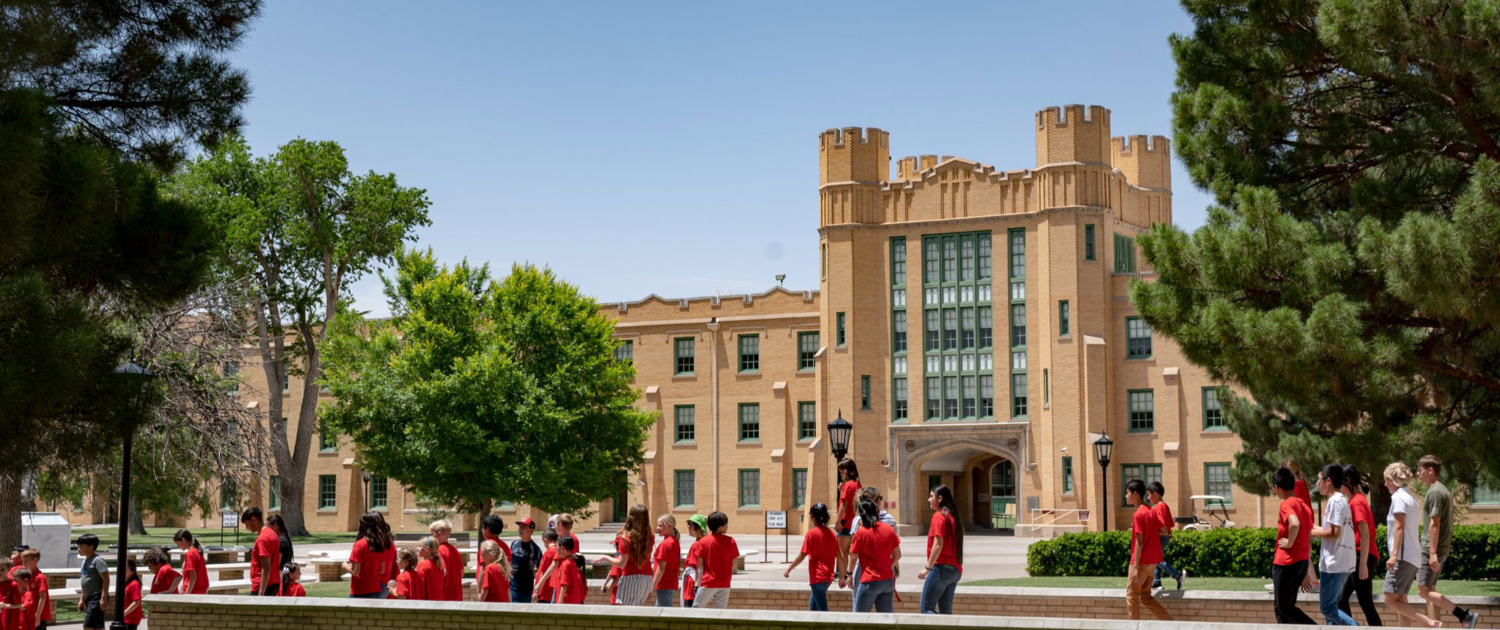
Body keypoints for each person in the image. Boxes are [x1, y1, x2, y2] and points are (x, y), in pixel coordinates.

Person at [1416, 456, 1478, 628]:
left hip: (1431, 548)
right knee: (1430, 589)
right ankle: (1436, 626)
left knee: (1422, 590)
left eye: (1420, 470)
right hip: (1439, 547)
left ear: (1430, 471)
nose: (1417, 474)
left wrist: (1432, 552)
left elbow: (1435, 522)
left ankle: (1464, 616)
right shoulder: (1442, 490)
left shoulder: (1435, 492)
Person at [1381, 462, 1442, 628]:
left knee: (1389, 598)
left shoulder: (1399, 498)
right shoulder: (1412, 499)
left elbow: (1399, 527)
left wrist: (1393, 556)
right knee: (1401, 599)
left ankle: (1430, 623)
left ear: (1392, 480)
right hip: (1413, 558)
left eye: (1386, 480)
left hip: (1402, 557)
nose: (1385, 484)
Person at [1310, 464, 1359, 626]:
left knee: (1327, 608)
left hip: (1335, 564)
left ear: (1328, 481)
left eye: (1319, 480)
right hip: (1337, 563)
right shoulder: (1340, 500)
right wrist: (1309, 528)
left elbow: (1334, 532)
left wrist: (1311, 533)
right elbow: (1329, 530)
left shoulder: (1335, 502)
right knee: (1330, 615)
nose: (1317, 484)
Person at [1271, 467, 1317, 625]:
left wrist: (1289, 542)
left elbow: (1294, 523)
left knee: (1282, 610)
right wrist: (1304, 570)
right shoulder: (1303, 505)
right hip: (1300, 562)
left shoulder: (1286, 505)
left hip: (1286, 563)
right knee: (1288, 608)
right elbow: (1308, 536)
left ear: (1277, 487)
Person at [1339, 465, 1381, 626]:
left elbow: (1365, 534)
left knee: (1366, 604)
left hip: (1361, 556)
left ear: (1348, 481)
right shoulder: (1356, 500)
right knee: (1341, 599)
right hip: (1358, 556)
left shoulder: (1356, 502)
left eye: (1339, 483)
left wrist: (1362, 564)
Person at [1124, 479, 1172, 620]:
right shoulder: (1151, 511)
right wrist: (1150, 531)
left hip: (1141, 562)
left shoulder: (1138, 514)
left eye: (1127, 493)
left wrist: (1136, 567)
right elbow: (1164, 530)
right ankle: (1169, 623)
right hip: (1152, 563)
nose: (1126, 496)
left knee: (1132, 597)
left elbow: (1139, 543)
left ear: (1136, 494)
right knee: (1145, 596)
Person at [594, 504, 654, 606]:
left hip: (630, 579)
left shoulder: (624, 538)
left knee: (624, 614)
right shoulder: (650, 535)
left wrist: (605, 557)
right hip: (647, 579)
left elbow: (621, 563)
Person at [849, 499, 900, 613]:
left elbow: (853, 555)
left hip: (869, 580)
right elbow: (897, 555)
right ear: (877, 511)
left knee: (860, 618)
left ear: (861, 515)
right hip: (887, 580)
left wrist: (849, 574)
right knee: (886, 619)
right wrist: (888, 565)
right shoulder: (888, 529)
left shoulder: (861, 532)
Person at [918, 484, 963, 614]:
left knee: (926, 609)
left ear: (939, 499)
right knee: (945, 613)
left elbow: (938, 544)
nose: (928, 499)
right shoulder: (953, 516)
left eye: (931, 496)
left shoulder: (938, 516)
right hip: (955, 570)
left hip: (940, 570)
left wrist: (927, 568)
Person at [784, 503, 837, 611]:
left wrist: (789, 569)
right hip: (827, 577)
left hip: (817, 578)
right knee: (812, 605)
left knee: (822, 609)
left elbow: (802, 555)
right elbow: (839, 555)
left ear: (813, 518)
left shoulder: (811, 534)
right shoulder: (831, 534)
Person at [847, 486, 896, 591]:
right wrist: (893, 566)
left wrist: (849, 573)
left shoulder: (857, 520)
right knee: (884, 606)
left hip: (863, 568)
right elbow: (894, 548)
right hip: (885, 568)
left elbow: (854, 551)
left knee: (860, 605)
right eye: (880, 498)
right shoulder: (889, 519)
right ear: (876, 501)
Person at [692, 511, 738, 609]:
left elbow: (699, 566)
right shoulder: (731, 541)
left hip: (708, 582)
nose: (727, 526)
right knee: (721, 612)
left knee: (696, 608)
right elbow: (734, 564)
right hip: (725, 582)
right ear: (720, 526)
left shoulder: (703, 542)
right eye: (725, 524)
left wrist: (697, 584)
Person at [345, 511, 395, 599]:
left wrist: (344, 565)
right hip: (376, 589)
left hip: (360, 590)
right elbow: (382, 570)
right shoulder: (380, 544)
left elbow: (355, 572)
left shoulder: (359, 544)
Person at [1147, 482, 1185, 591]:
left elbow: (1161, 525)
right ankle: (1156, 582)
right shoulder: (1164, 506)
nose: (1148, 498)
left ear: (1155, 495)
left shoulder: (1158, 507)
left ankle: (1177, 576)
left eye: (1149, 495)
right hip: (1164, 536)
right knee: (1157, 559)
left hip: (1161, 537)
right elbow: (1169, 524)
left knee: (1155, 559)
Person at [243, 507, 281, 597]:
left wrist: (261, 592)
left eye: (246, 524)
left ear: (253, 520)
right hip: (274, 583)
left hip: (262, 586)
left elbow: (266, 568)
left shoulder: (262, 539)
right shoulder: (272, 533)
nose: (246, 527)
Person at [834, 459, 861, 588]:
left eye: (842, 470)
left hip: (845, 523)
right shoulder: (856, 483)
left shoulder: (849, 484)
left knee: (842, 551)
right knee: (853, 551)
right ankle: (851, 574)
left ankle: (843, 576)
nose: (841, 473)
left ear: (849, 470)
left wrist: (837, 520)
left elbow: (844, 504)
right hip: (854, 523)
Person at [74, 534, 109, 630]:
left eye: (81, 546)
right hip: (89, 597)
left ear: (91, 547)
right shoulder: (84, 561)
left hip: (97, 597)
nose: (78, 549)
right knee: (98, 626)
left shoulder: (97, 560)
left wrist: (103, 599)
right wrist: (82, 599)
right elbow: (84, 582)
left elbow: (106, 580)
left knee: (88, 625)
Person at [428, 519, 464, 601]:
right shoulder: (455, 550)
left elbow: (442, 572)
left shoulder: (438, 551)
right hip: (457, 595)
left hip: (444, 596)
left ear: (438, 534)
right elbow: (462, 573)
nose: (431, 536)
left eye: (432, 533)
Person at [510, 517, 541, 603]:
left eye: (524, 527)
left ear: (531, 530)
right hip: (512, 587)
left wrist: (536, 589)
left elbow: (540, 570)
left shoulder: (535, 549)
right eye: (520, 527)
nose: (521, 529)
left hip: (526, 589)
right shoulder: (514, 544)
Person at [651, 515, 680, 607]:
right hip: (670, 584)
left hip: (664, 584)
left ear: (670, 526)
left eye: (660, 525)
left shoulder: (665, 544)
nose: (657, 528)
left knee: (663, 614)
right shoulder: (674, 542)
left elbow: (661, 568)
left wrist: (652, 587)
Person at [18, 548, 49, 630]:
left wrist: (37, 616)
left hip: (39, 615)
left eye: (26, 561)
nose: (23, 563)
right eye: (23, 561)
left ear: (35, 560)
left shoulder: (40, 577)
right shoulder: (27, 576)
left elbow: (42, 598)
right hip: (30, 613)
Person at [479, 514, 513, 589]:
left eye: (483, 528)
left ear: (487, 529)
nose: (482, 530)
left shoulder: (486, 546)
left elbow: (483, 569)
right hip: (503, 588)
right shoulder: (505, 547)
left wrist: (479, 590)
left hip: (488, 588)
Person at [681, 515, 707, 609]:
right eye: (688, 524)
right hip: (693, 579)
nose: (688, 526)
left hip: (693, 581)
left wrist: (696, 585)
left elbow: (697, 566)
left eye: (691, 524)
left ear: (698, 527)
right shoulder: (701, 542)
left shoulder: (698, 544)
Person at [173, 530, 209, 595]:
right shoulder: (196, 551)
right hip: (201, 590)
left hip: (193, 592)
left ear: (183, 540)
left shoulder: (190, 554)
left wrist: (187, 594)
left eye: (177, 543)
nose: (178, 546)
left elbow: (193, 577)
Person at [552, 537, 585, 605]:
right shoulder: (572, 562)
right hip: (574, 601)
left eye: (557, 548)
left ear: (562, 548)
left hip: (566, 602)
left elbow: (564, 584)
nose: (556, 551)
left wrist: (559, 602)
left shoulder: (565, 564)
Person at [532, 529, 559, 604]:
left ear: (545, 540)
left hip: (544, 591)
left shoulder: (548, 553)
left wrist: (537, 591)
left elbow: (543, 572)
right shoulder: (558, 551)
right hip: (552, 590)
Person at [416, 536, 445, 602]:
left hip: (428, 602)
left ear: (427, 549)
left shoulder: (422, 565)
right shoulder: (438, 564)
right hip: (440, 600)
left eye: (420, 546)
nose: (417, 548)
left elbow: (420, 586)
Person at [266, 514, 294, 578]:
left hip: (280, 577)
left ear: (275, 526)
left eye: (268, 527)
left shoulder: (281, 541)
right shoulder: (281, 539)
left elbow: (276, 564)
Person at [0, 559, 24, 630]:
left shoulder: (13, 585)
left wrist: (7, 606)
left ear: (9, 569)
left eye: (2, 569)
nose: (0, 572)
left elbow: (20, 604)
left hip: (9, 621)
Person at [120, 559, 142, 630]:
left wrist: (123, 613)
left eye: (125, 569)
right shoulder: (126, 583)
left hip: (131, 619)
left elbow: (136, 602)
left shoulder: (134, 584)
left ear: (132, 571)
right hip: (125, 618)